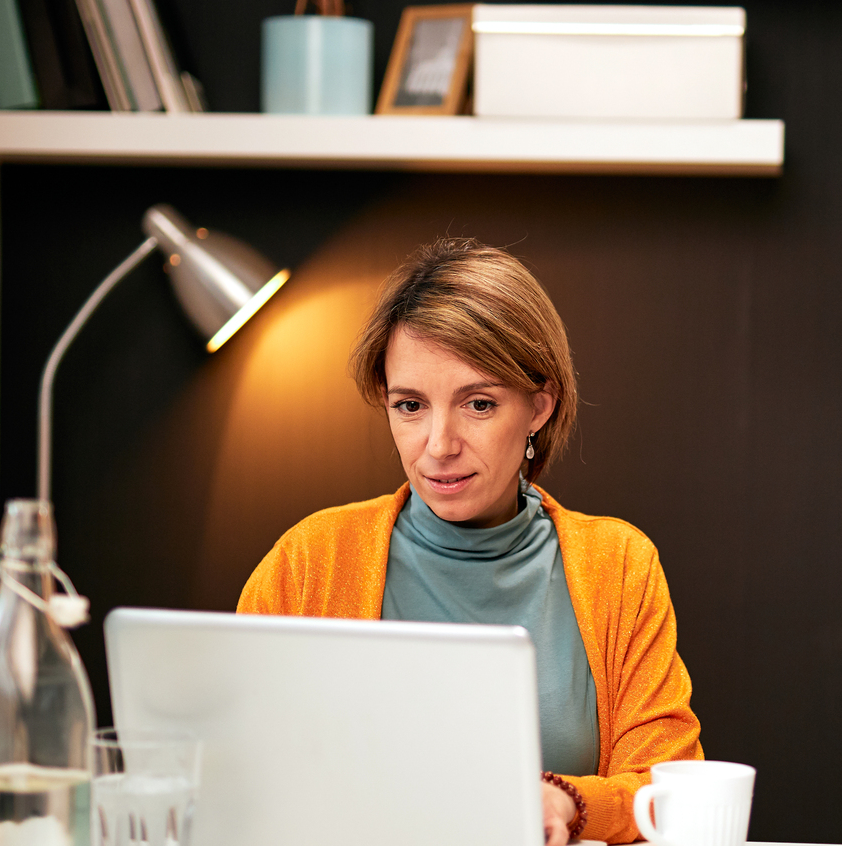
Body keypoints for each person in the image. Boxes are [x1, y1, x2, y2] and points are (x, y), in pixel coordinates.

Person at [237, 238, 702, 845]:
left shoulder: (618, 565)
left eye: (478, 404)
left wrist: (569, 802)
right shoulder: (311, 559)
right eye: (410, 405)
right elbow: (235, 766)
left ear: (540, 404)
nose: (438, 444)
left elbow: (670, 787)